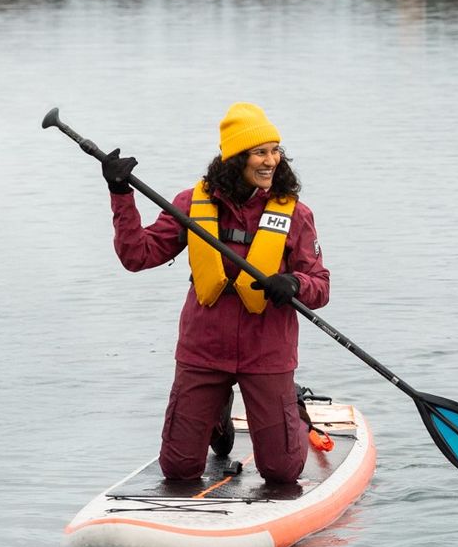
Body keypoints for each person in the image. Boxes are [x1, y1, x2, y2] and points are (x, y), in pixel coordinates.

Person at [101, 102, 330, 485]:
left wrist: (294, 284)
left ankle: (291, 403)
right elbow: (136, 256)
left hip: (267, 353)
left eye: (275, 151)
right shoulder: (192, 204)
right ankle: (217, 416)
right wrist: (120, 192)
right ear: (235, 159)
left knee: (282, 472)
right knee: (178, 469)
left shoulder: (296, 215)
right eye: (260, 152)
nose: (270, 161)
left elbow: (320, 285)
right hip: (203, 350)